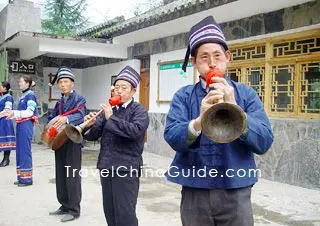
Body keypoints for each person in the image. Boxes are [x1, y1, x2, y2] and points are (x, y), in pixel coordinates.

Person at [163, 16, 274, 226]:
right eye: (204, 57)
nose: (212, 62)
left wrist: (236, 110)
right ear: (194, 62)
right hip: (195, 190)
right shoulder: (183, 96)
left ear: (227, 57)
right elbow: (172, 137)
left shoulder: (246, 94)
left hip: (236, 189)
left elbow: (265, 141)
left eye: (217, 55)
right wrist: (198, 121)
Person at [83, 65, 149, 226]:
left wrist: (111, 117)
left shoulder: (139, 110)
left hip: (126, 168)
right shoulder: (110, 109)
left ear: (133, 91)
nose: (118, 91)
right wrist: (88, 125)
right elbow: (93, 136)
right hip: (106, 165)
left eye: (124, 87)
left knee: (125, 212)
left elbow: (134, 131)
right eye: (116, 87)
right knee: (110, 210)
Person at [47, 67, 86, 222]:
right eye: (60, 82)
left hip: (73, 142)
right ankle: (64, 204)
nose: (63, 85)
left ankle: (74, 209)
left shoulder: (79, 99)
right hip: (60, 141)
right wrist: (51, 122)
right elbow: (53, 116)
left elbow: (81, 115)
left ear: (72, 84)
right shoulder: (60, 102)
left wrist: (66, 119)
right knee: (61, 174)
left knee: (72, 175)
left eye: (66, 82)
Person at [0, 75, 38, 187]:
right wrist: (11, 114)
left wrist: (15, 113)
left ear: (27, 83)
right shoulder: (23, 96)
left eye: (21, 82)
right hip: (20, 124)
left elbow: (30, 112)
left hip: (26, 125)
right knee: (20, 151)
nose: (19, 83)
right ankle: (21, 177)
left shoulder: (31, 96)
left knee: (25, 151)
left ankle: (27, 179)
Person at [0, 81, 16, 167]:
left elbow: (7, 110)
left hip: (5, 121)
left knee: (6, 140)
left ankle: (6, 159)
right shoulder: (1, 96)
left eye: (0, 86)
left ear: (5, 88)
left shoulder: (8, 97)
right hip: (1, 120)